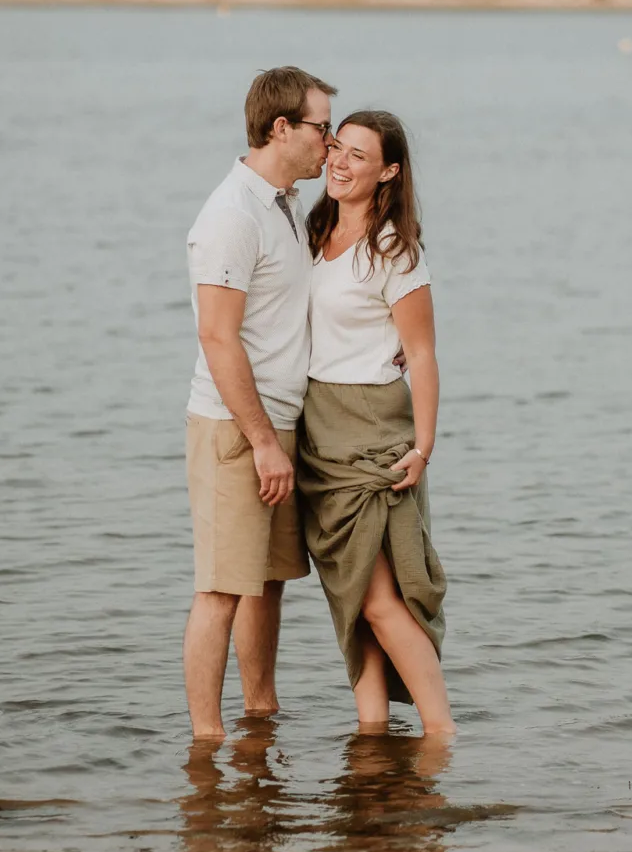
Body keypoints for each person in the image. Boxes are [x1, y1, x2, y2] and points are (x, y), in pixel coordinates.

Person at [183, 66, 337, 740]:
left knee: (268, 581)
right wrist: (264, 442)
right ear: (282, 128)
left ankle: (260, 715)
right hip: (234, 429)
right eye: (322, 128)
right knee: (220, 589)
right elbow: (217, 337)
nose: (329, 142)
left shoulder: (283, 203)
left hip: (280, 421)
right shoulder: (231, 214)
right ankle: (206, 746)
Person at [298, 111, 454, 735]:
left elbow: (421, 355)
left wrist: (423, 448)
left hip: (371, 427)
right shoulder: (309, 234)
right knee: (350, 595)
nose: (340, 161)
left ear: (387, 171)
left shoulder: (392, 251)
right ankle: (372, 734)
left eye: (359, 155)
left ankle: (443, 734)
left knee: (380, 599)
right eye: (337, 146)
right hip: (316, 430)